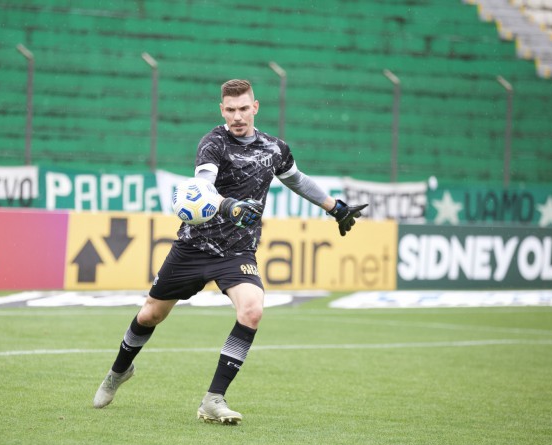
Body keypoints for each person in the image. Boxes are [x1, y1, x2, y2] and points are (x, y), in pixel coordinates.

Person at [93, 79, 367, 424]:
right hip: (193, 247)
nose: (237, 116)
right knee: (150, 315)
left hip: (238, 253)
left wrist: (335, 207)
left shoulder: (274, 148)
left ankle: (213, 399)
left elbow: (296, 179)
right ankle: (118, 372)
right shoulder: (213, 144)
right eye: (230, 109)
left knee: (252, 311)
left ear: (256, 107)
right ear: (222, 110)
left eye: (243, 108)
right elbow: (202, 186)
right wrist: (229, 207)